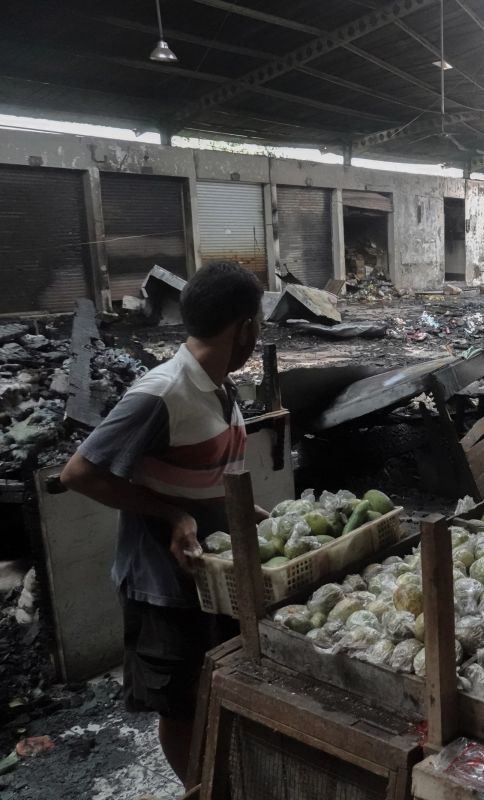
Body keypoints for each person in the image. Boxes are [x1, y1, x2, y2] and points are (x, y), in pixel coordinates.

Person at [61, 261, 265, 784]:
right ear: (245, 327)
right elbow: (78, 472)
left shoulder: (219, 385)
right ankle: (200, 791)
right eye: (257, 322)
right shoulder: (162, 392)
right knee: (182, 706)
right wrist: (172, 513)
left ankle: (222, 780)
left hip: (210, 579)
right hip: (163, 586)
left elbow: (205, 472)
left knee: (216, 688)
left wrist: (248, 514)